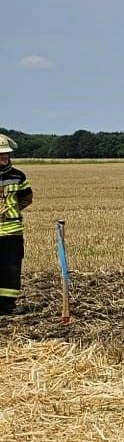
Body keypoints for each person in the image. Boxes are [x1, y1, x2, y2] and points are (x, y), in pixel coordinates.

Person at [0, 134, 30, 315]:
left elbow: (27, 197)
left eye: (6, 154)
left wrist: (12, 210)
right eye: (0, 154)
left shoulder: (18, 176)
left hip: (12, 232)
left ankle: (6, 306)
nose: (4, 156)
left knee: (11, 270)